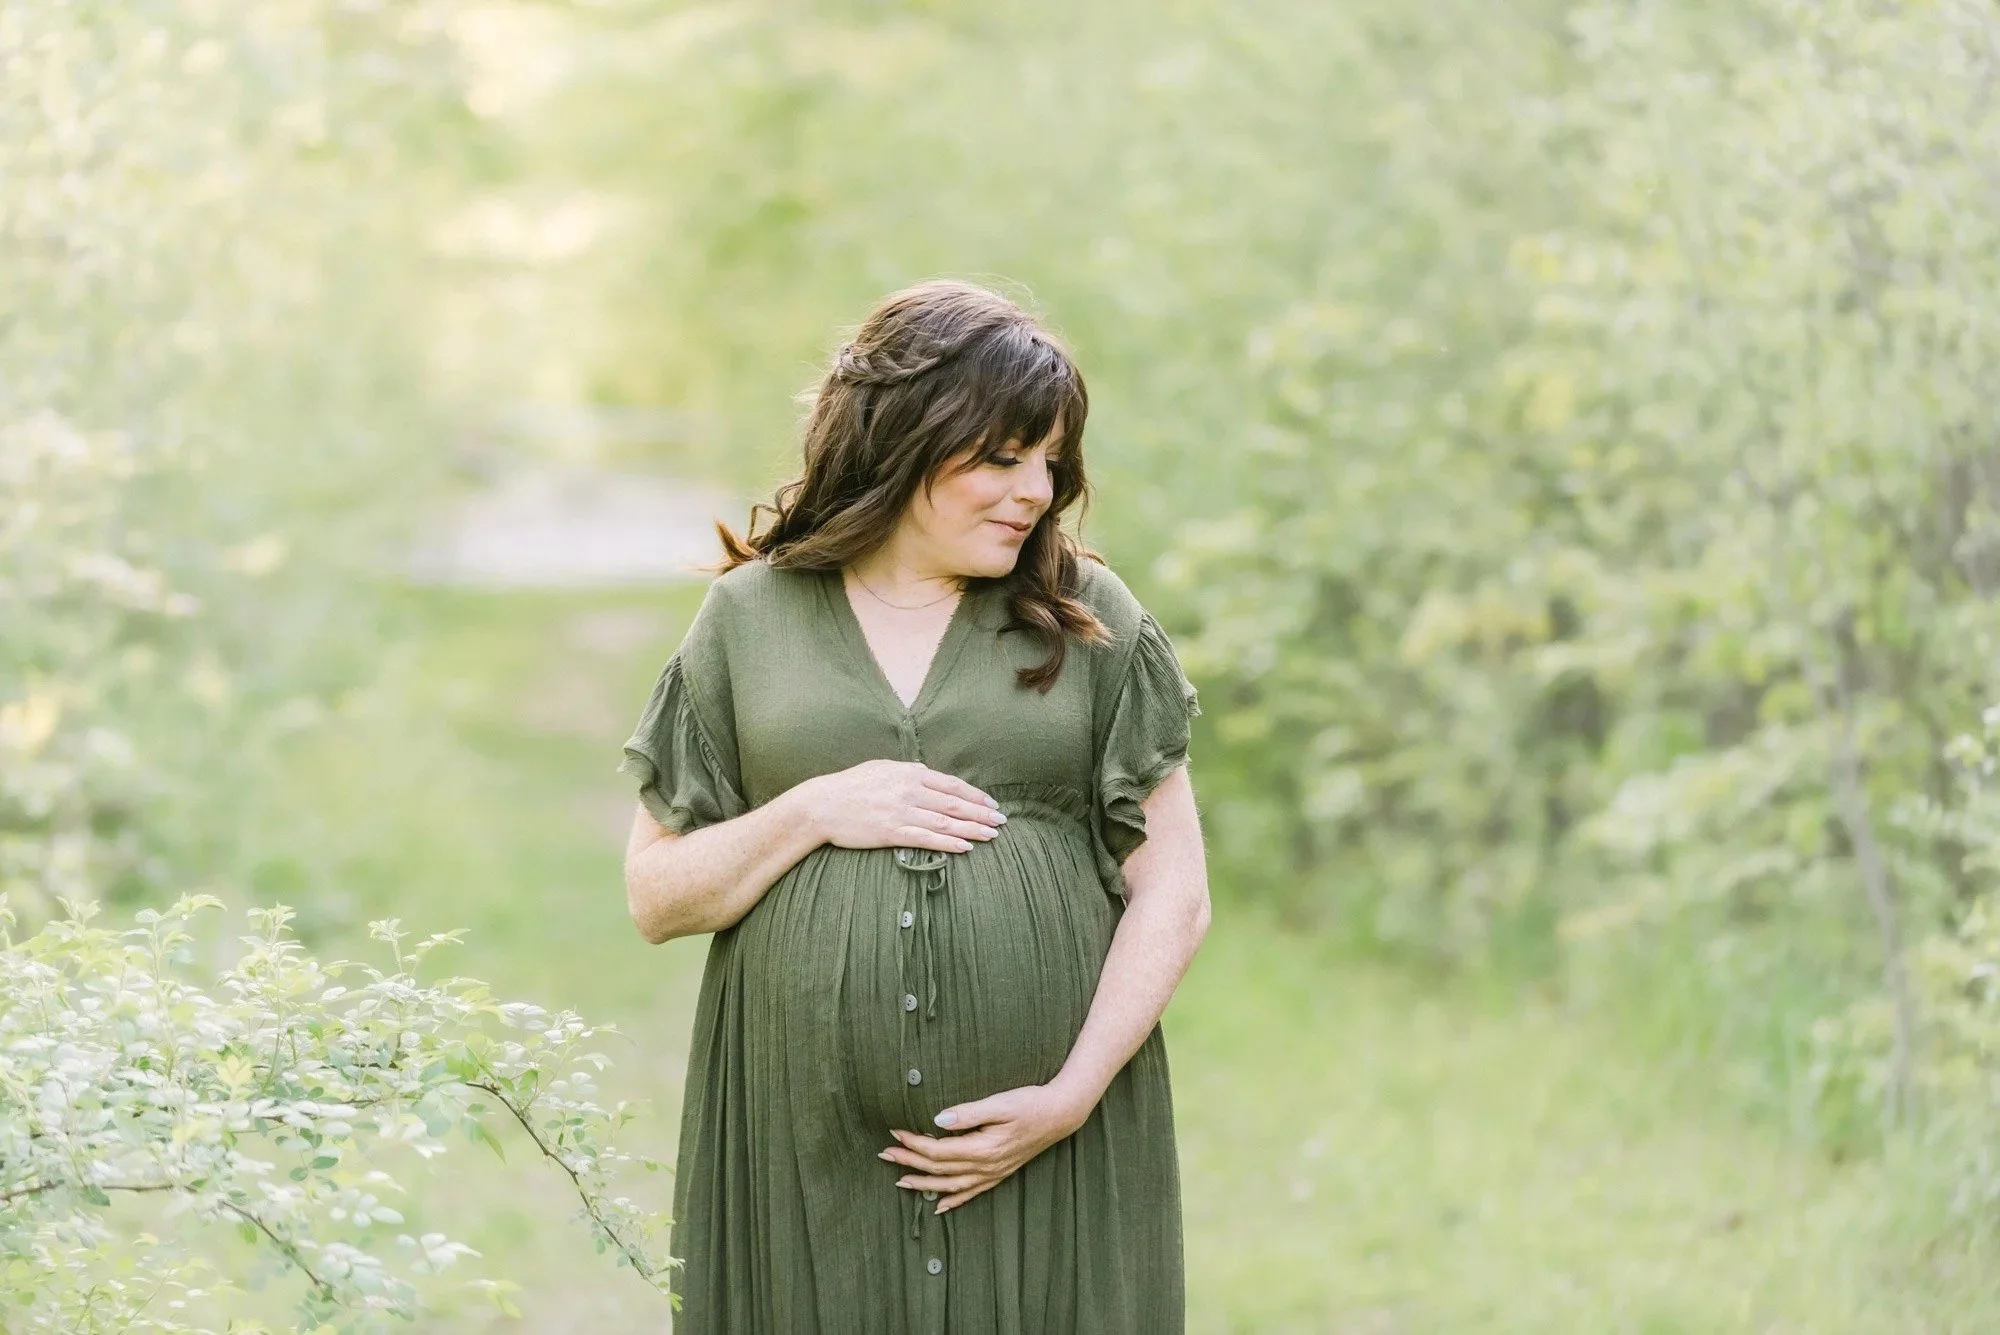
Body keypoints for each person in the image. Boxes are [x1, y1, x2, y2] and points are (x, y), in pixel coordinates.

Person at [618, 278, 1211, 1333]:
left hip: (1050, 1140)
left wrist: (1068, 1095)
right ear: (901, 438)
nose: (1033, 491)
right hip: (797, 1149)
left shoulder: (1085, 616)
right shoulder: (748, 621)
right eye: (999, 456)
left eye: (1049, 463)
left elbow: (1174, 887)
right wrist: (811, 809)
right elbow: (656, 896)